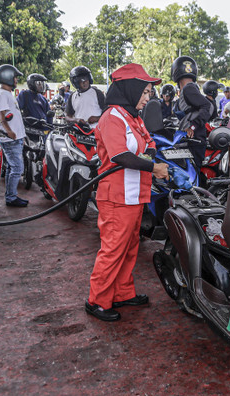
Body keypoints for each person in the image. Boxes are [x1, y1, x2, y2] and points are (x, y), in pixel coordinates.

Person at [85, 63, 169, 322]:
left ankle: (122, 292)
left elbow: (150, 142)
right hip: (116, 197)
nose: (147, 98)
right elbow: (120, 155)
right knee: (113, 249)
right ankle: (97, 300)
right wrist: (153, 167)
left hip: (134, 195)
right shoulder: (112, 117)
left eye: (148, 93)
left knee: (130, 247)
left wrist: (152, 155)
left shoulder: (133, 116)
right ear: (131, 90)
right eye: (144, 92)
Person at [0, 64, 28, 208]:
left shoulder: (6, 93)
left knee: (11, 168)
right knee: (17, 168)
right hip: (10, 139)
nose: (16, 80)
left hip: (14, 138)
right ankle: (11, 197)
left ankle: (10, 195)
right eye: (14, 77)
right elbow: (2, 115)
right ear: (7, 77)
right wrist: (9, 131)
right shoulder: (2, 94)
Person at [171, 56, 212, 169]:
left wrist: (192, 126)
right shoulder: (190, 88)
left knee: (192, 174)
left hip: (194, 140)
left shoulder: (189, 89)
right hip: (193, 140)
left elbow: (206, 105)